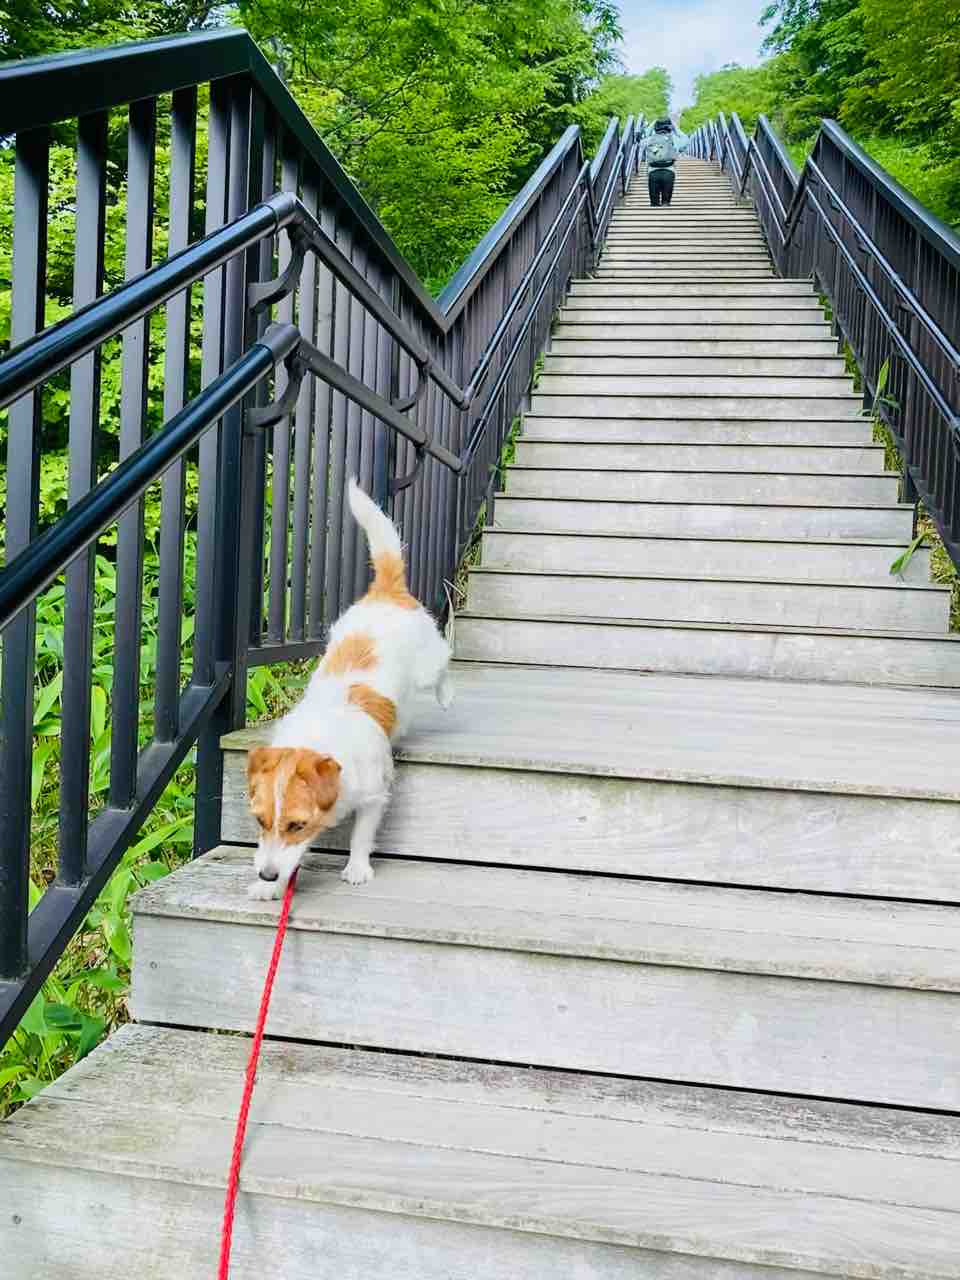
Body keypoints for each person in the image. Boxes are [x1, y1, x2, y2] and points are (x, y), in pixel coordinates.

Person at [642, 117, 686, 207]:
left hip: (653, 172)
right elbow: (686, 140)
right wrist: (675, 128)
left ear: (655, 127)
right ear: (670, 127)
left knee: (654, 204)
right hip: (669, 172)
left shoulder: (649, 139)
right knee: (666, 203)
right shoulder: (674, 139)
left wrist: (652, 124)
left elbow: (640, 140)